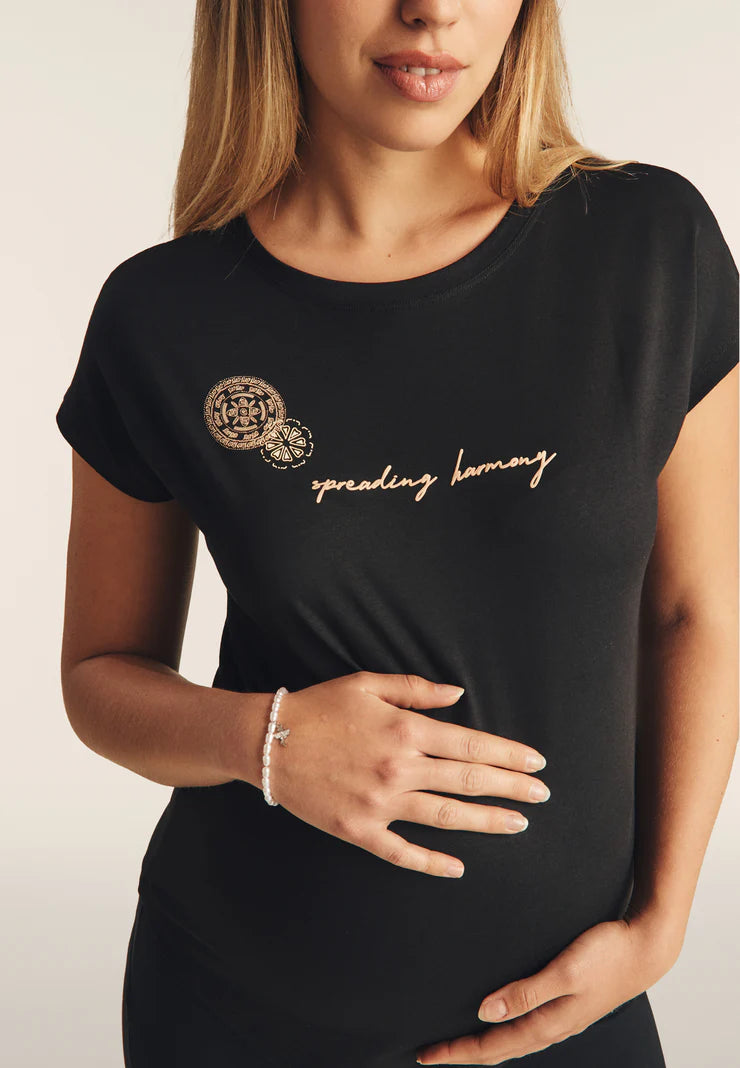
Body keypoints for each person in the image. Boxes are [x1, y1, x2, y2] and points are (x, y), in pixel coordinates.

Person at [55, 1, 739, 1066]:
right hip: (238, 1008)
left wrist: (660, 922)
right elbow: (99, 676)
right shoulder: (164, 314)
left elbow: (696, 610)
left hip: (569, 1012)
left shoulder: (646, 244)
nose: (433, 10)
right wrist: (266, 740)